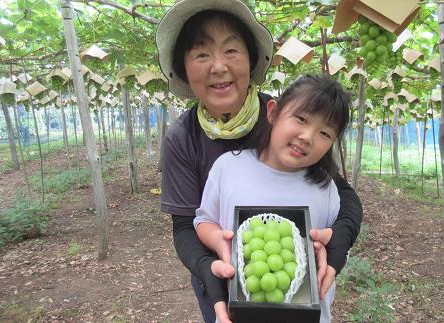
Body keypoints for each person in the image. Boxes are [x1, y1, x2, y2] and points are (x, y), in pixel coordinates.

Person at [155, 1, 363, 322]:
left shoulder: (287, 120)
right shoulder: (183, 139)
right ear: (184, 67)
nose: (219, 66)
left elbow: (339, 193)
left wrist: (338, 245)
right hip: (223, 283)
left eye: (232, 51)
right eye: (201, 54)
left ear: (251, 60)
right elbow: (186, 225)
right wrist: (208, 270)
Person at [194, 74, 350, 322]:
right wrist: (218, 241)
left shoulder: (325, 187)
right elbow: (203, 220)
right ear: (273, 113)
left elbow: (334, 242)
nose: (307, 136)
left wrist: (327, 249)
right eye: (301, 119)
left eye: (324, 133)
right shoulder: (228, 168)